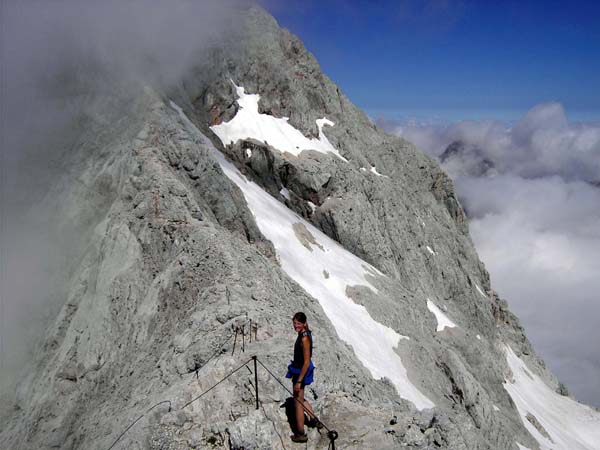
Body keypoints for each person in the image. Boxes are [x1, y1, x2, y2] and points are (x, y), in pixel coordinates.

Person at [286, 312, 320, 443]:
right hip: (301, 369)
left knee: (298, 402)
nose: (296, 326)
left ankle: (300, 433)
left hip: (300, 371)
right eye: (294, 323)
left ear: (304, 323)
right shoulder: (305, 333)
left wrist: (299, 381)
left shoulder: (304, 339)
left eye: (298, 323)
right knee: (300, 397)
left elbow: (306, 361)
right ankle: (313, 419)